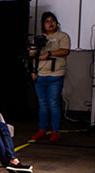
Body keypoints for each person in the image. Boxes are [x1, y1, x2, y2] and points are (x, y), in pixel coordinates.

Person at [29, 11, 71, 142]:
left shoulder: (62, 36)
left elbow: (65, 51)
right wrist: (33, 71)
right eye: (47, 21)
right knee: (42, 104)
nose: (50, 23)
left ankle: (55, 131)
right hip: (40, 75)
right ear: (43, 24)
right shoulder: (39, 38)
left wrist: (49, 53)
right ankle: (42, 130)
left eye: (52, 21)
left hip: (55, 75)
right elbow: (32, 55)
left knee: (53, 104)